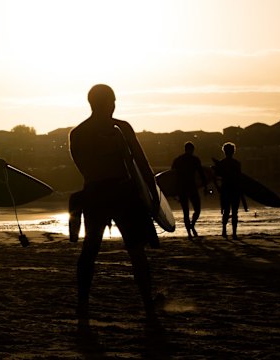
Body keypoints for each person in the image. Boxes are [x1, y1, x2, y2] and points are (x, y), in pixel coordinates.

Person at [69, 84, 160, 330]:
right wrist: (153, 197)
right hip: (123, 193)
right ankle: (148, 305)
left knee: (90, 249)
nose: (114, 105)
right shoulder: (122, 128)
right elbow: (141, 163)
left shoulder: (77, 133)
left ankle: (83, 304)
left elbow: (83, 168)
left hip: (95, 194)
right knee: (136, 251)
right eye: (113, 100)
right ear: (109, 102)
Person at [171, 141, 208, 239]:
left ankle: (189, 231)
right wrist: (205, 187)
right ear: (192, 149)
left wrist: (173, 191)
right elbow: (201, 174)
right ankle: (192, 226)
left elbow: (172, 176)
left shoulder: (177, 160)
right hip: (191, 187)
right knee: (197, 209)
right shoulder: (195, 159)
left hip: (181, 188)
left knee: (185, 212)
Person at [213, 142, 246, 240]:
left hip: (225, 189)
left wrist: (218, 188)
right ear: (233, 151)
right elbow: (239, 178)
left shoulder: (221, 163)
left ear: (224, 151)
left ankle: (224, 231)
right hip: (235, 189)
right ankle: (234, 233)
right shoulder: (237, 163)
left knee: (226, 211)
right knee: (235, 212)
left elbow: (215, 177)